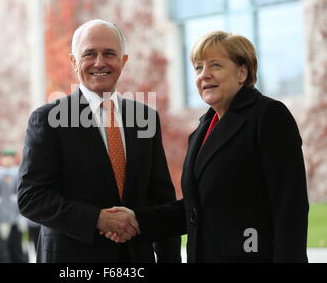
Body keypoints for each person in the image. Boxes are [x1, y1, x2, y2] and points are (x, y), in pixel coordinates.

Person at [107, 30, 309, 263]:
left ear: (242, 72)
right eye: (198, 67)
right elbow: (196, 208)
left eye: (215, 65)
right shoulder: (202, 129)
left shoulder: (269, 116)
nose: (204, 75)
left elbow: (289, 206)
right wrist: (137, 220)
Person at [18, 19, 181, 263]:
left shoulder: (145, 118)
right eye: (89, 54)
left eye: (109, 54)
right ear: (74, 61)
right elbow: (31, 197)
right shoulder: (49, 119)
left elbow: (161, 199)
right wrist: (97, 218)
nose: (99, 63)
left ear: (123, 61)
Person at [0, 149, 27, 263]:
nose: (5, 160)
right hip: (3, 215)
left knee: (16, 246)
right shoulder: (0, 172)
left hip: (15, 215)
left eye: (8, 157)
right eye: (4, 157)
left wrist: (21, 216)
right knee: (4, 247)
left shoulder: (18, 172)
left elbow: (20, 195)